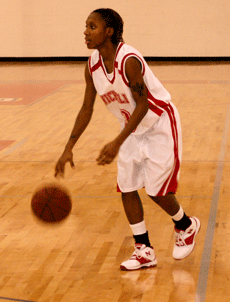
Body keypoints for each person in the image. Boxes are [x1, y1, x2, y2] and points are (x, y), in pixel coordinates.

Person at [55, 8, 200, 271]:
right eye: (86, 26)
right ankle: (144, 250)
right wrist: (68, 148)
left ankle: (186, 225)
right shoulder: (92, 66)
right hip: (130, 126)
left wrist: (117, 142)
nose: (85, 32)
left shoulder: (129, 60)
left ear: (109, 31)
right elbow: (86, 108)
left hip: (159, 123)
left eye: (92, 26)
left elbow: (143, 105)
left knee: (157, 190)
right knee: (127, 184)